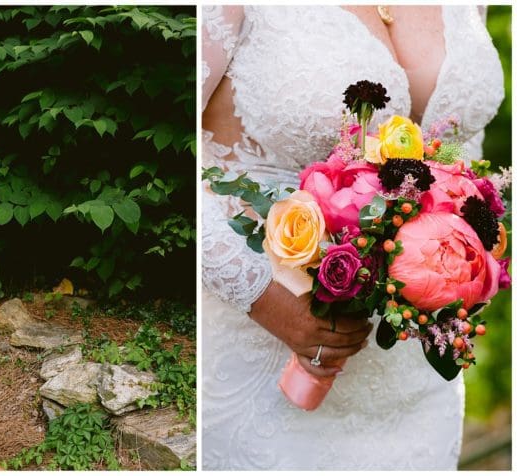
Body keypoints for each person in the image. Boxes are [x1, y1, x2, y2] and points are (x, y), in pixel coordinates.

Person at [200, 5, 503, 470]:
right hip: (263, 349)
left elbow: (462, 146)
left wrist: (470, 257)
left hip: (415, 370)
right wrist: (260, 294)